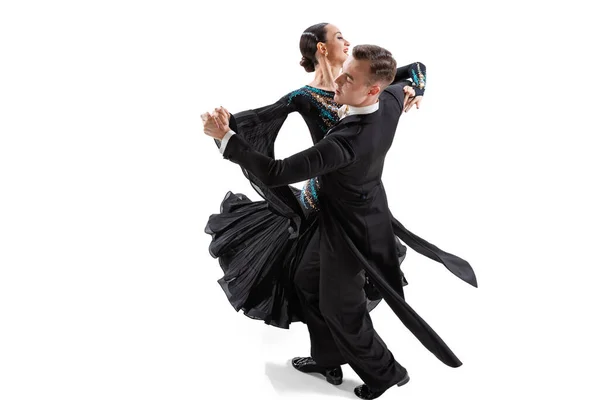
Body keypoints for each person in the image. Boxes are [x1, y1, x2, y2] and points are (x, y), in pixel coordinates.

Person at [203, 44, 464, 400]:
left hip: (351, 232)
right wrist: (415, 89)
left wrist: (227, 139)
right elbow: (415, 67)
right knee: (304, 279)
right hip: (350, 213)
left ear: (371, 89)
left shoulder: (343, 143)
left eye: (349, 77)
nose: (338, 79)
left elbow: (277, 172)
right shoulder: (389, 102)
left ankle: (386, 374)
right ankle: (328, 357)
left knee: (342, 310)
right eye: (344, 71)